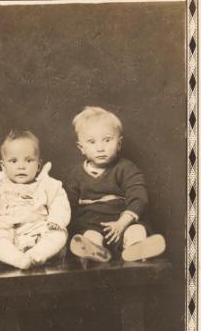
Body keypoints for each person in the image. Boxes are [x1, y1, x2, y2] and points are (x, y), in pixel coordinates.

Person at [0, 130, 71, 269]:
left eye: (29, 160)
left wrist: (56, 221)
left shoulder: (47, 184)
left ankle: (38, 254)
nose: (21, 166)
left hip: (35, 229)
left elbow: (59, 204)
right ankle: (18, 259)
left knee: (59, 235)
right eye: (13, 161)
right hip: (3, 228)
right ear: (3, 166)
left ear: (38, 165)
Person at [65, 106, 165, 262]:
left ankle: (136, 248)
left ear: (119, 143)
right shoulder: (76, 175)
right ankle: (95, 252)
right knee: (90, 236)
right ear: (81, 148)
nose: (100, 148)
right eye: (92, 142)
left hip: (123, 224)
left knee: (137, 230)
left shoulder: (126, 168)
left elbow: (139, 197)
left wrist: (122, 223)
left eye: (107, 140)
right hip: (92, 225)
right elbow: (67, 206)